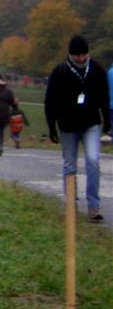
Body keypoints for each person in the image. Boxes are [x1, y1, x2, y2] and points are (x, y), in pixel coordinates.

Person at [45, 35, 111, 222]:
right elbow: (50, 101)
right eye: (77, 55)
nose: (81, 59)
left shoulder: (96, 70)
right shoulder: (60, 72)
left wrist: (107, 120)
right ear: (71, 54)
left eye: (83, 55)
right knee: (70, 165)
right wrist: (52, 126)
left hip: (90, 123)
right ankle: (70, 203)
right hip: (68, 126)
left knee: (92, 160)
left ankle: (93, 205)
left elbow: (104, 97)